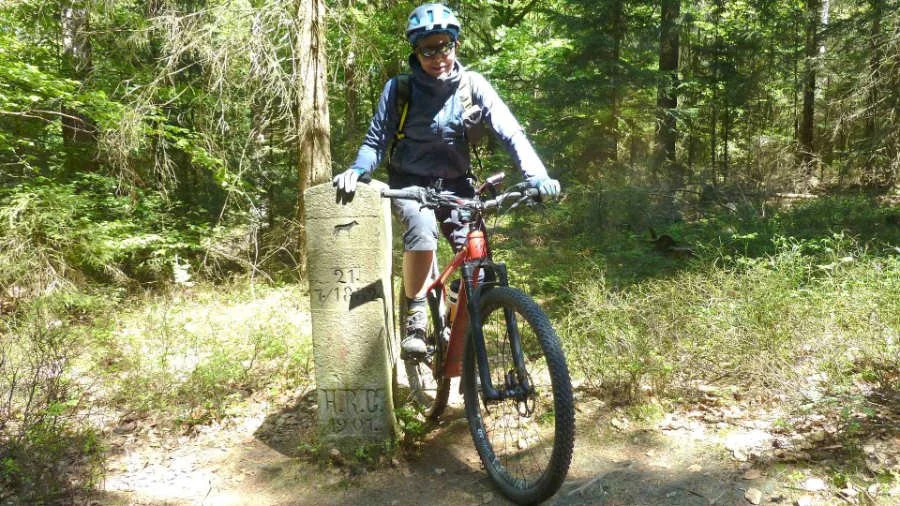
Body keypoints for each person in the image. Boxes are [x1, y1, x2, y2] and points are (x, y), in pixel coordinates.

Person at [333, 3, 560, 358]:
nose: (438, 56)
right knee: (422, 233)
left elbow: (511, 132)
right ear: (416, 51)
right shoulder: (400, 90)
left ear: (455, 44)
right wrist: (357, 171)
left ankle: (454, 311)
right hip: (411, 184)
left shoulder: (473, 85)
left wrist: (537, 175)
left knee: (479, 263)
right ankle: (417, 314)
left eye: (445, 46)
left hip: (457, 185)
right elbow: (376, 142)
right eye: (428, 49)